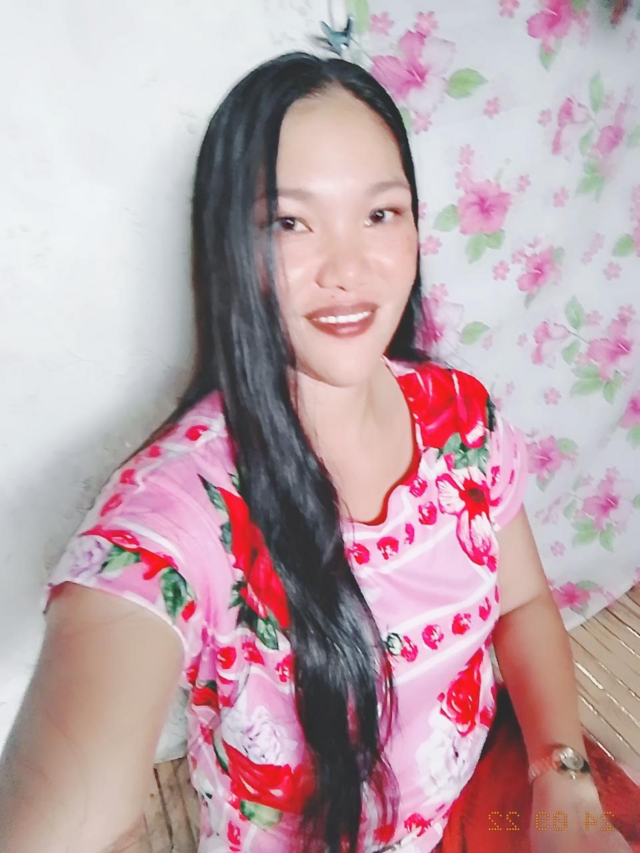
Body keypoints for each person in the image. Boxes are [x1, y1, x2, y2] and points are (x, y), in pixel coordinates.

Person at [0, 52, 636, 853]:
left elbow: (522, 603)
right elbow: (62, 806)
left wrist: (562, 776)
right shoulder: (189, 510)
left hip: (475, 795)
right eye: (290, 222)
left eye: (380, 213)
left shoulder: (461, 419)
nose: (348, 269)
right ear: (229, 244)